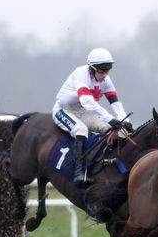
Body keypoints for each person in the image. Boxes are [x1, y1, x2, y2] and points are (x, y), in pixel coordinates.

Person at [52, 47, 132, 186]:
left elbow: (114, 101)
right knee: (81, 130)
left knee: (109, 129)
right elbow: (87, 102)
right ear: (91, 69)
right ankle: (78, 172)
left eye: (107, 71)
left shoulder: (106, 80)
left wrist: (124, 119)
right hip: (64, 110)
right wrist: (111, 119)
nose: (104, 75)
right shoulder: (81, 75)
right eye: (101, 71)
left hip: (83, 111)